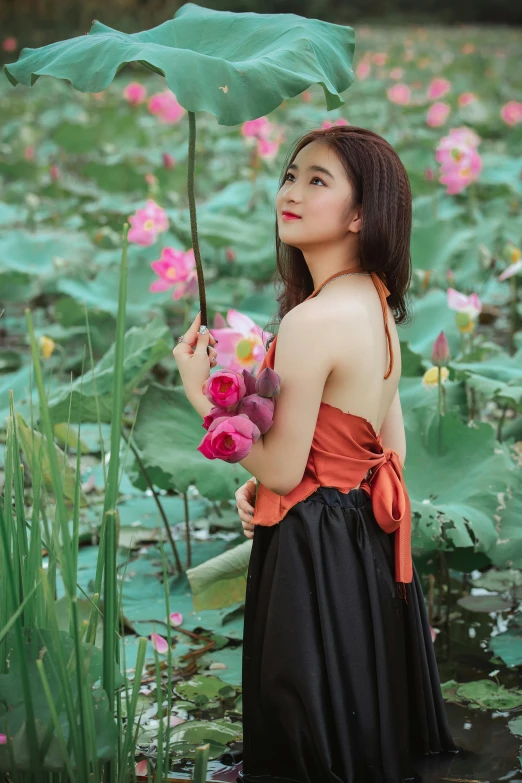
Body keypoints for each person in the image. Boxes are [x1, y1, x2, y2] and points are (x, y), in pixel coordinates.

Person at [233, 126, 460, 783]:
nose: (292, 192)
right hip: (360, 539)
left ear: (361, 214)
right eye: (290, 174)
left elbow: (278, 464)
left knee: (303, 727)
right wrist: (282, 479)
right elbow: (389, 447)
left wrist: (204, 399)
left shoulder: (311, 319)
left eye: (317, 180)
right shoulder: (376, 304)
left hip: (311, 549)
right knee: (354, 723)